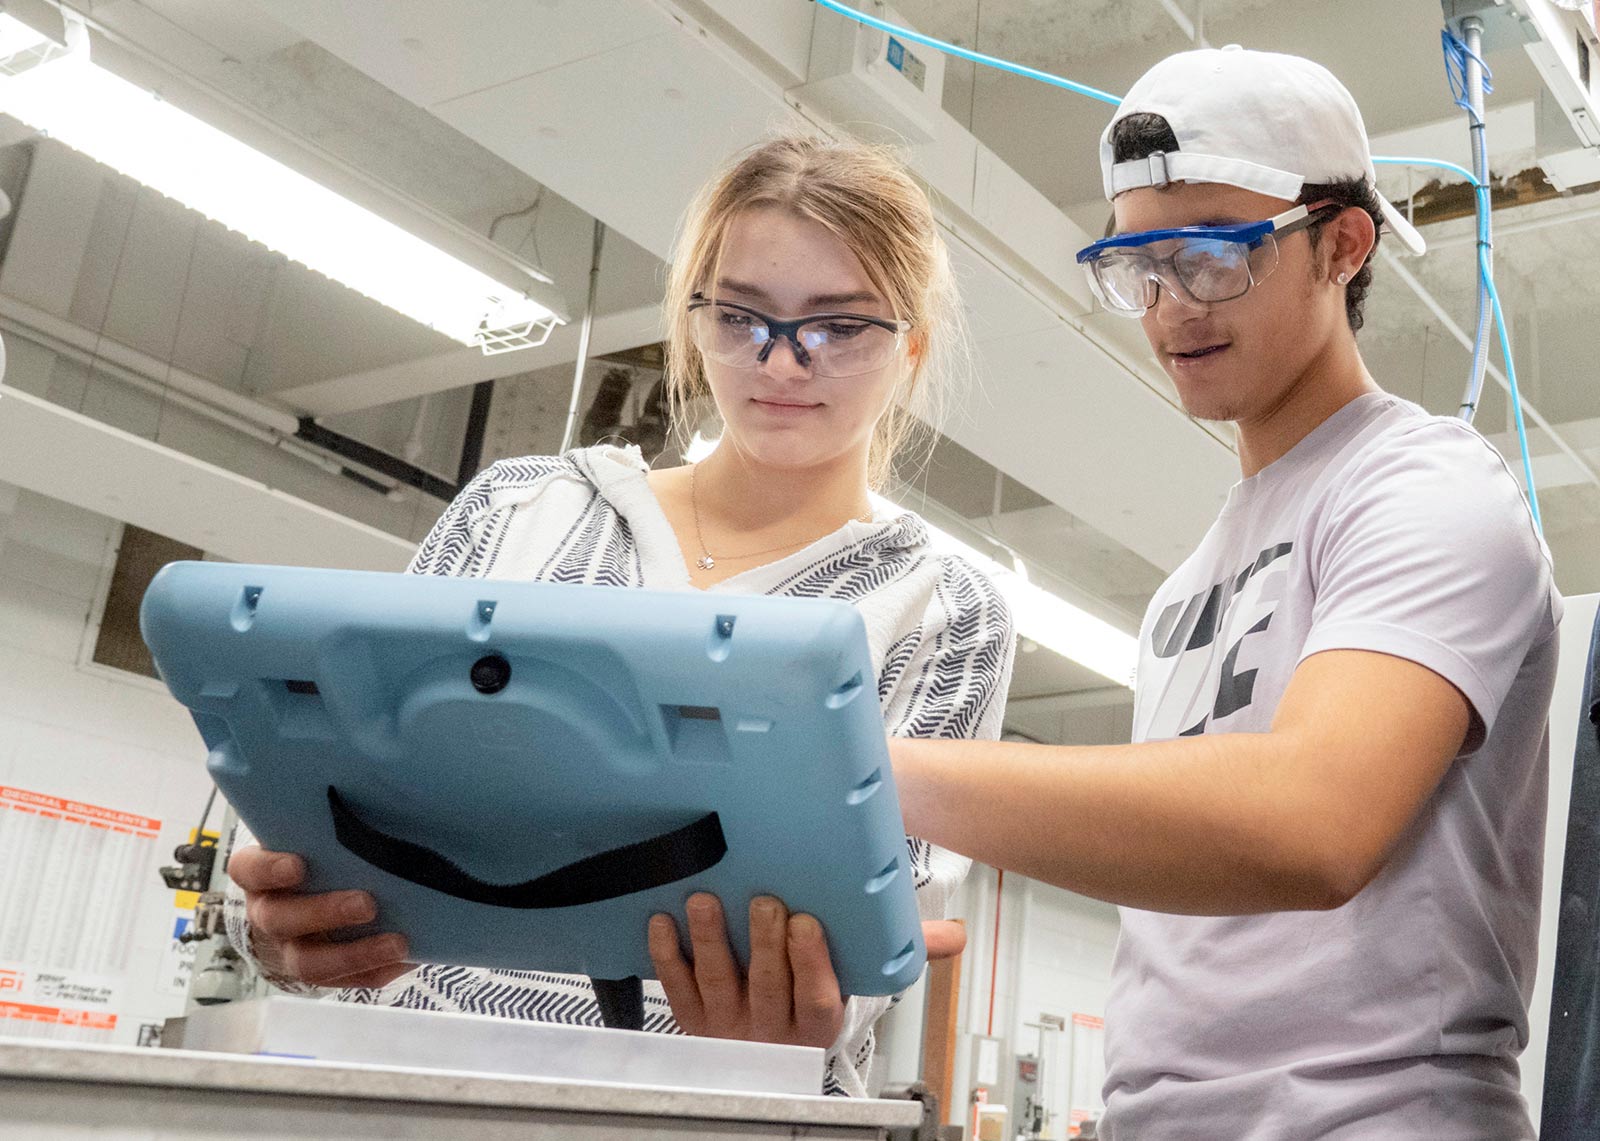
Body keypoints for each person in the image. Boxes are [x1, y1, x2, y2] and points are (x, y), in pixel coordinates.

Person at [223, 134, 1016, 1098]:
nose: (781, 361)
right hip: (404, 1089)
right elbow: (308, 825)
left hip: (710, 1113)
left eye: (837, 326)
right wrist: (278, 924)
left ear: (910, 345)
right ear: (695, 320)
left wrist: (802, 1011)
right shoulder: (518, 511)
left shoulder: (942, 604)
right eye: (742, 316)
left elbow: (871, 947)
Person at [888, 47, 1560, 1138]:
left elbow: (1311, 823)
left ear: (1342, 244)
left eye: (1209, 256)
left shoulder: (1425, 489)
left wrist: (878, 769)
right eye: (1135, 267)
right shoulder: (1188, 583)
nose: (1168, 309)